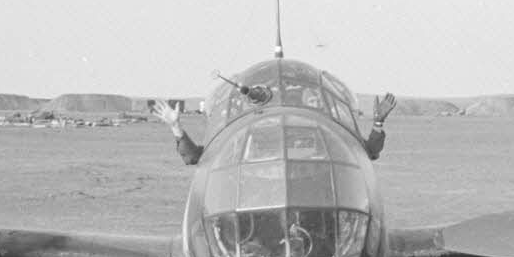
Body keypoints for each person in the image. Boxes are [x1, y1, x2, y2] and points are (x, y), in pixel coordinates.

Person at [150, 93, 397, 165]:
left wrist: (378, 123)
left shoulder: (326, 138)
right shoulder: (251, 138)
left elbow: (369, 152)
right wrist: (175, 126)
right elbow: (195, 157)